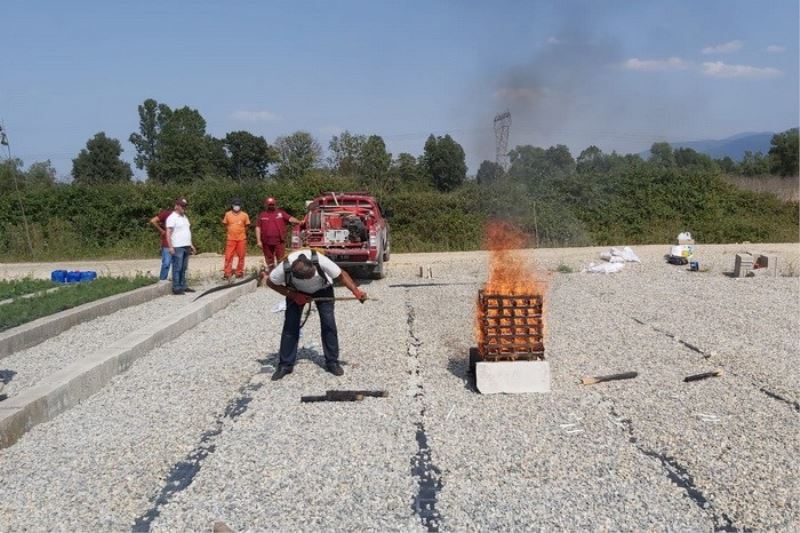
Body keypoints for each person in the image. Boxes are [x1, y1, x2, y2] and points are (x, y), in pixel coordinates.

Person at [266, 249, 366, 380]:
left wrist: (356, 291)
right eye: (307, 278)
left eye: (311, 275)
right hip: (296, 292)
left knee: (328, 323)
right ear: (295, 274)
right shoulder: (283, 268)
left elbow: (342, 275)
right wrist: (294, 295)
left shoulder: (320, 260)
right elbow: (270, 283)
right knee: (290, 326)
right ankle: (285, 365)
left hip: (323, 289)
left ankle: (332, 362)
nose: (310, 279)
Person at [256, 197, 300, 271]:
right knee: (269, 258)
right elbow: (258, 227)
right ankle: (271, 271)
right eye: (269, 205)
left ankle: (280, 272)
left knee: (281, 258)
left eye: (272, 204)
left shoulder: (281, 213)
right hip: (266, 242)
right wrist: (258, 241)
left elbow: (290, 218)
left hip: (279, 241)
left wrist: (299, 221)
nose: (271, 206)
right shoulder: (262, 215)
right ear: (266, 205)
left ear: (275, 204)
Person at [165, 197, 196, 295]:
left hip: (186, 245)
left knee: (184, 268)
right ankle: (176, 287)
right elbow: (168, 233)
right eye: (182, 206)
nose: (184, 208)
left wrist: (191, 244)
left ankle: (183, 285)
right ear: (177, 206)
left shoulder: (184, 217)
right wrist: (170, 246)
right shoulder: (172, 218)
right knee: (177, 267)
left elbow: (186, 231)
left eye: (185, 206)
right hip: (177, 246)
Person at [221, 197, 251, 279]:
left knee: (241, 256)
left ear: (240, 205)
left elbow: (247, 225)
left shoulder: (244, 215)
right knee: (228, 256)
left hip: (241, 239)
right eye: (235, 204)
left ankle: (239, 272)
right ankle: (227, 273)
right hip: (230, 239)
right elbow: (225, 224)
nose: (236, 206)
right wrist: (231, 231)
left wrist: (241, 232)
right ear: (232, 205)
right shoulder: (227, 214)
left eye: (238, 205)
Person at [149, 205, 174, 280]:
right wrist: (161, 230)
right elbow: (153, 221)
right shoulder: (166, 214)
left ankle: (176, 283)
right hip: (167, 243)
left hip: (177, 243)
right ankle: (162, 281)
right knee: (166, 263)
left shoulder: (181, 216)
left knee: (177, 264)